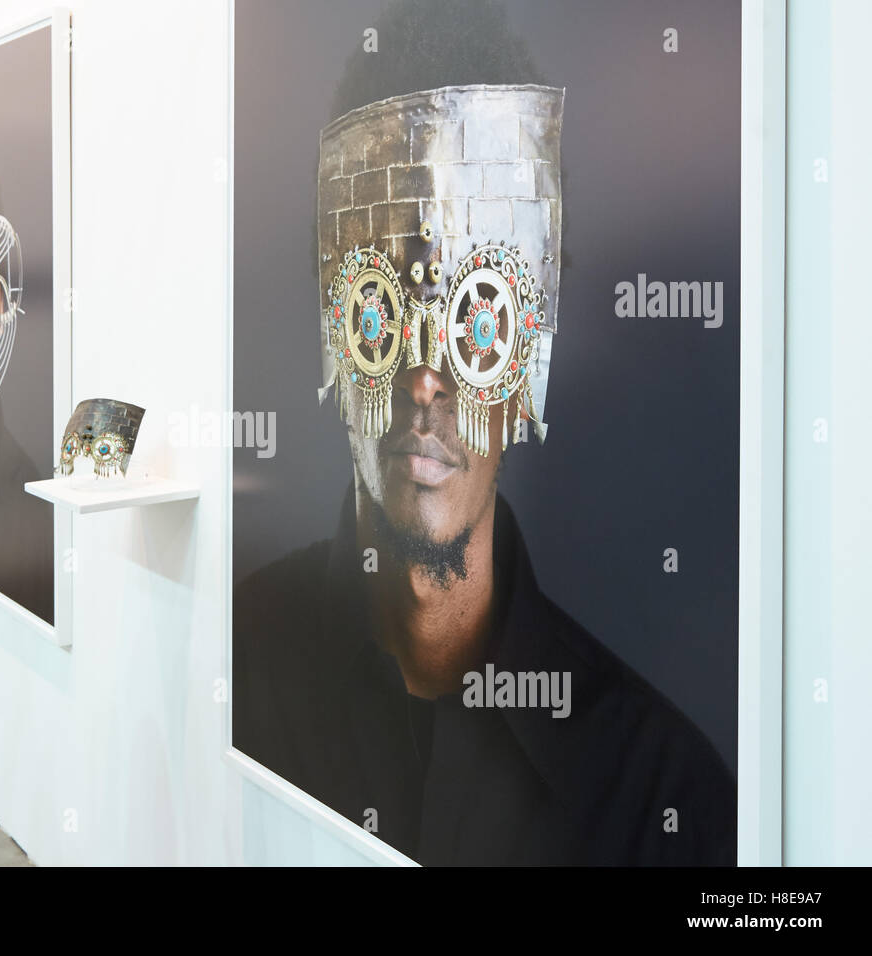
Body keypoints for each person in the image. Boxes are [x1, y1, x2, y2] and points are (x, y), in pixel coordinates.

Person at [233, 85, 736, 865]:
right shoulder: (226, 671)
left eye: (477, 319)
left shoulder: (662, 794)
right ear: (338, 328)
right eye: (380, 307)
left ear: (528, 354)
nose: (426, 377)